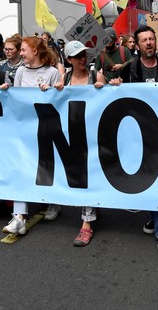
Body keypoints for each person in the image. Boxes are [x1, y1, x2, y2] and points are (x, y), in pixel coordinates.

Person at [119, 26, 158, 254]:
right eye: (144, 40)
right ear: (136, 44)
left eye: (152, 39)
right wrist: (114, 85)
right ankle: (157, 219)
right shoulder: (129, 70)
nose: (149, 43)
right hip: (140, 134)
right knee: (151, 178)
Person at [2, 36, 62, 235]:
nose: (20, 53)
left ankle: (53, 202)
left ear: (35, 51)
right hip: (25, 127)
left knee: (46, 166)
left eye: (24, 50)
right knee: (21, 168)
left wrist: (50, 92)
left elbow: (58, 100)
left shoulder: (52, 72)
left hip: (46, 126)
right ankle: (19, 216)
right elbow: (17, 97)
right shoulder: (20, 71)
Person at [52, 41, 108, 245]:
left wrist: (108, 87)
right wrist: (54, 90)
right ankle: (91, 208)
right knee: (81, 175)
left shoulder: (96, 76)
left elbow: (113, 101)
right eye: (77, 56)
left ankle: (86, 224)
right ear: (69, 60)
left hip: (94, 135)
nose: (83, 59)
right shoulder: (64, 78)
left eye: (84, 55)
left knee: (88, 175)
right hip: (72, 135)